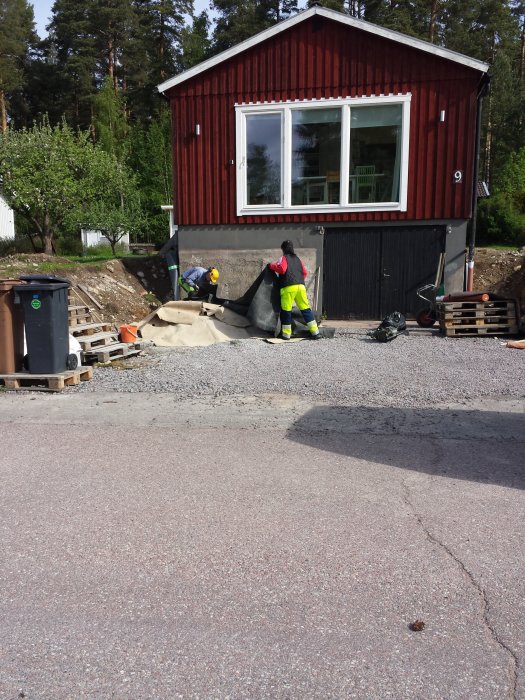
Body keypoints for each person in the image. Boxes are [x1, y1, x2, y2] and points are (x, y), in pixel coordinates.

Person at [268, 240, 320, 340]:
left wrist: (271, 266)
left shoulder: (283, 258)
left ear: (283, 249)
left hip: (288, 287)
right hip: (301, 287)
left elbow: (282, 269)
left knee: (286, 311)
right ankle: (315, 333)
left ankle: (286, 334)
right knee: (306, 309)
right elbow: (304, 273)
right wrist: (298, 281)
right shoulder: (297, 259)